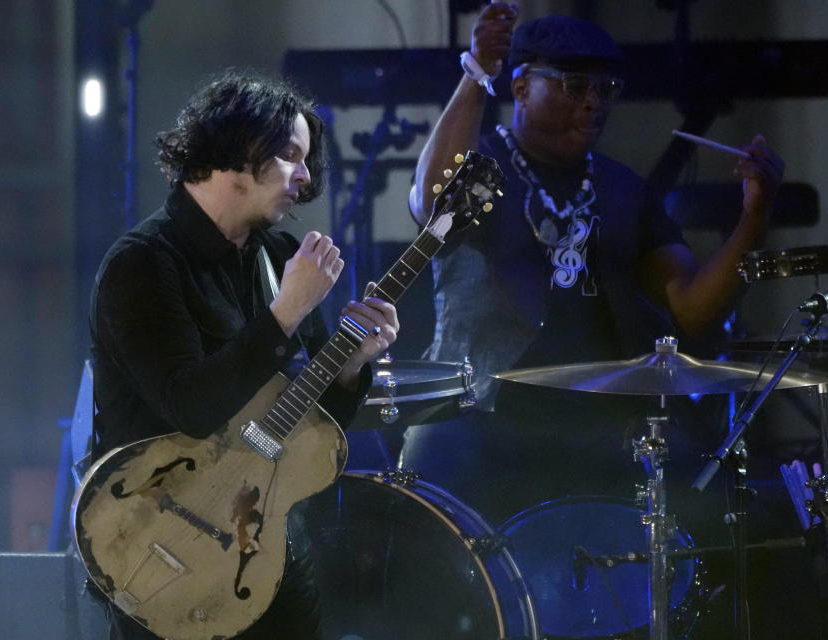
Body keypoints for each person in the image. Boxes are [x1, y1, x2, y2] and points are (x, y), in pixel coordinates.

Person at [400, 6, 784, 525]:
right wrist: (476, 72)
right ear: (521, 88)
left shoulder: (623, 188)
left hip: (597, 424)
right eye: (574, 85)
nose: (593, 102)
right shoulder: (482, 165)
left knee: (717, 503)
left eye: (607, 90)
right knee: (434, 480)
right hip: (482, 415)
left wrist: (753, 217)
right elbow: (433, 203)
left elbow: (693, 310)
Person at [86, 68, 399, 640]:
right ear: (234, 149)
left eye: (307, 160)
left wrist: (353, 366)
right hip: (162, 541)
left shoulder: (280, 255)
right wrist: (285, 313)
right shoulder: (142, 264)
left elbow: (310, 425)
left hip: (268, 546)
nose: (304, 177)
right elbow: (191, 407)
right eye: (289, 155)